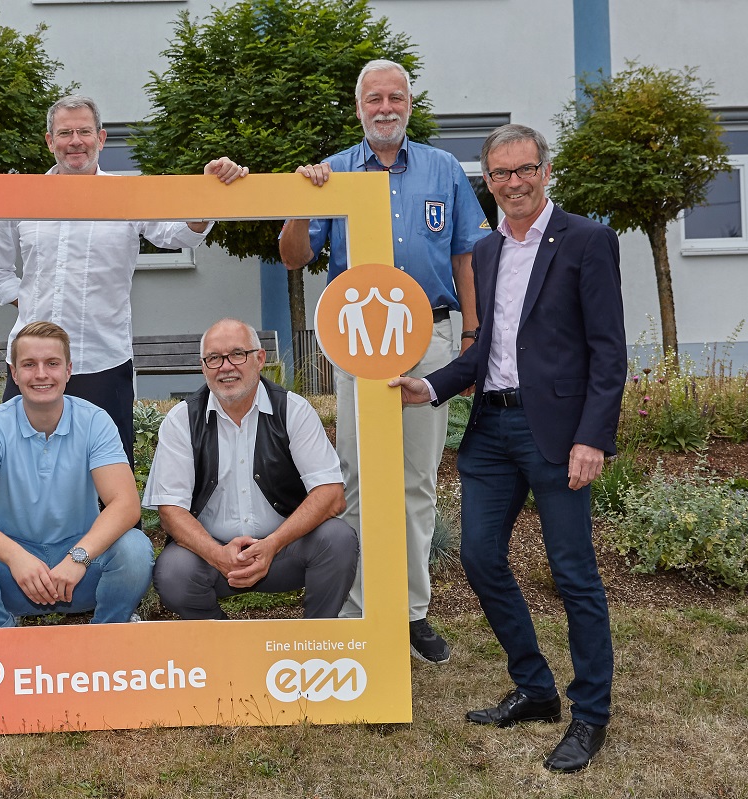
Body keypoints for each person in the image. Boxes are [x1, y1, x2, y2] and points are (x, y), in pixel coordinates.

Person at [390, 124, 625, 773]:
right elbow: (483, 352)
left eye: (525, 170)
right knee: (479, 555)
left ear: (546, 172)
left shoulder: (586, 240)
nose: (514, 183)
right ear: (487, 181)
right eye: (501, 174)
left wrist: (592, 437)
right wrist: (430, 385)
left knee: (573, 570)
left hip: (556, 432)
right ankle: (536, 686)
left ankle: (590, 715)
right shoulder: (487, 251)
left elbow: (609, 351)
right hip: (490, 430)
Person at [278, 59, 490, 663]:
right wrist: (299, 200)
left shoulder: (444, 169)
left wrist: (472, 338)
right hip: (360, 343)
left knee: (418, 481)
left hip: (429, 337)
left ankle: (411, 613)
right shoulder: (334, 172)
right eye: (374, 98)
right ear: (359, 108)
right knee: (356, 477)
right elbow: (295, 256)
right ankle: (359, 612)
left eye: (396, 97)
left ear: (410, 106)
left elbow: (466, 258)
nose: (385, 107)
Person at [0, 94, 249, 467]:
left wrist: (209, 193)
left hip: (102, 360)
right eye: (65, 132)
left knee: (107, 471)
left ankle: (114, 528)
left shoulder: (127, 195)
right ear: (49, 141)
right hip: (31, 362)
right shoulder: (22, 197)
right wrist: (29, 301)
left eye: (84, 132)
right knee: (21, 466)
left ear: (101, 139)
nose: (75, 141)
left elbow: (178, 237)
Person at [143, 318, 359, 619]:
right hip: (212, 556)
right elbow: (171, 511)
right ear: (203, 367)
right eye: (214, 358)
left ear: (259, 359)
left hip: (285, 551)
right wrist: (218, 555)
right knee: (173, 571)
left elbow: (331, 494)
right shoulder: (182, 420)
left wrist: (273, 544)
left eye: (237, 354)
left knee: (337, 539)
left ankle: (316, 642)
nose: (226, 366)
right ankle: (225, 644)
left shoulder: (293, 411)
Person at [0, 321, 152, 627]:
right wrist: (15, 557)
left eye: (52, 363)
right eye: (29, 364)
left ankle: (107, 636)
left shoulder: (95, 421)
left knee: (134, 549)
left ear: (68, 371)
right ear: (14, 373)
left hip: (81, 571)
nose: (41, 374)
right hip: (14, 574)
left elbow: (125, 504)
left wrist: (78, 556)